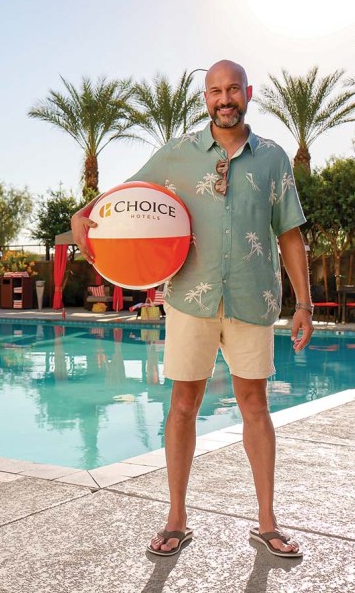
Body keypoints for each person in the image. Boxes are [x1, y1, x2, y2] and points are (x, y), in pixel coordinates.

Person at [71, 60, 313, 558]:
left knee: (256, 408)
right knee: (183, 407)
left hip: (252, 299)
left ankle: (267, 522)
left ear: (248, 93)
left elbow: (289, 233)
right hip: (191, 299)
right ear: (205, 98)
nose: (224, 99)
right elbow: (125, 197)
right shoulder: (177, 154)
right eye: (214, 92)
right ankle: (176, 518)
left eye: (232, 90)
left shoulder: (272, 158)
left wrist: (304, 302)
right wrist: (84, 210)